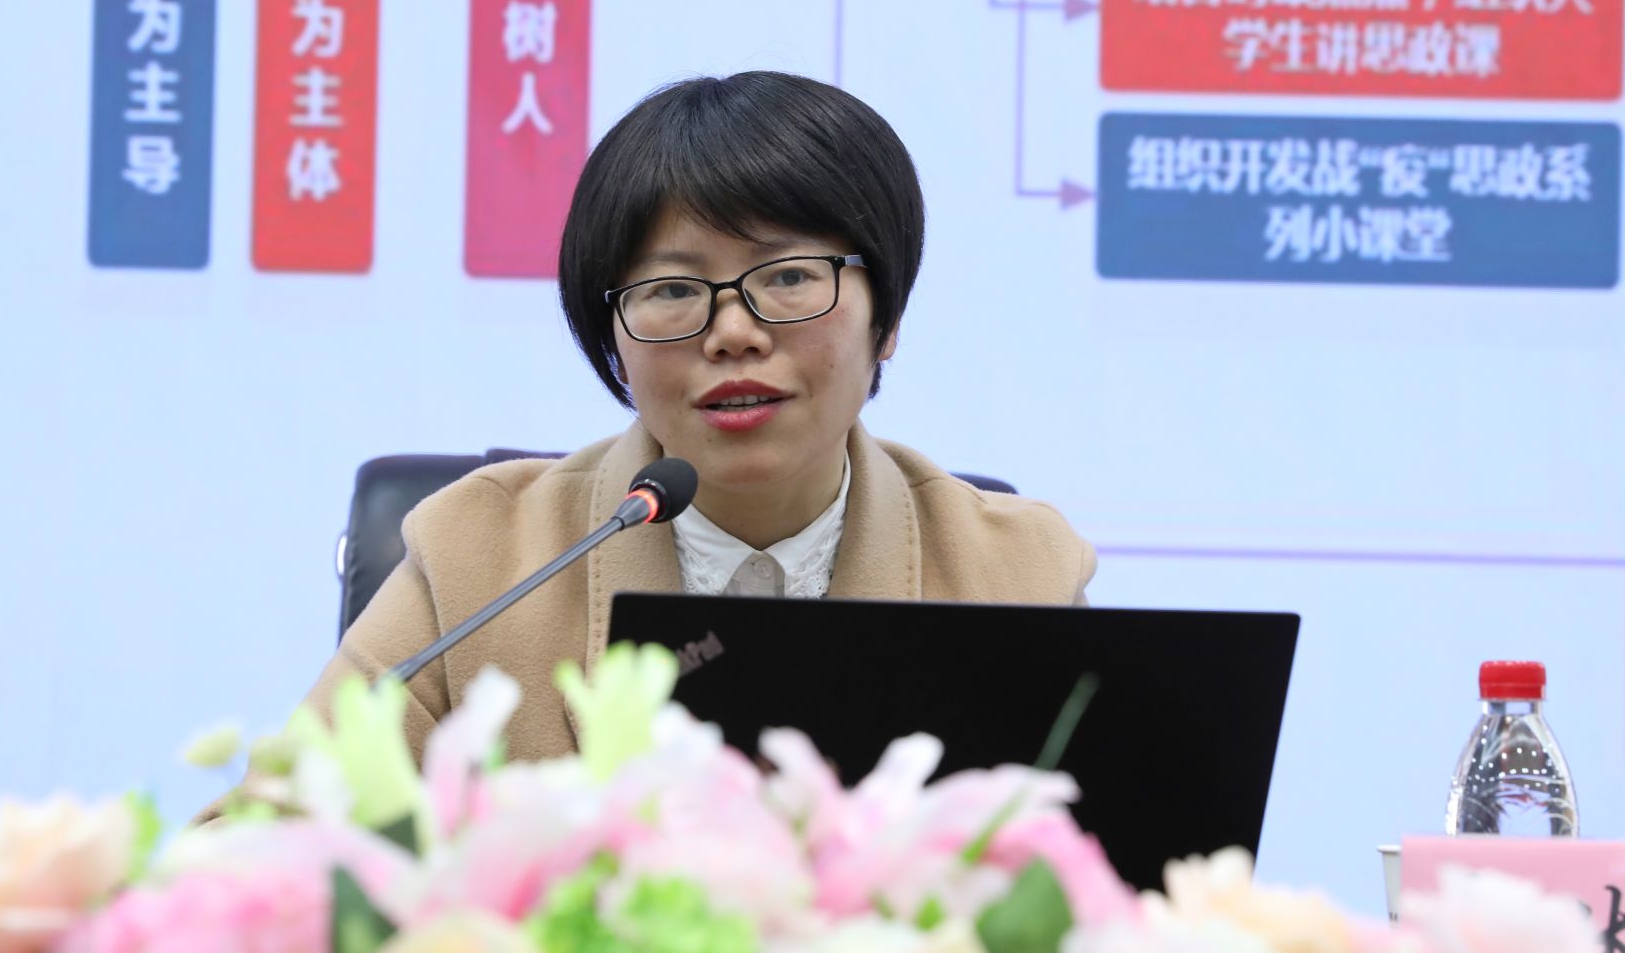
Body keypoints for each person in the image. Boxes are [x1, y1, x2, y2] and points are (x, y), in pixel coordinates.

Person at [289, 71, 1093, 766]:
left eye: (788, 277)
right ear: (614, 343)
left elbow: (1128, 868)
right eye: (673, 290)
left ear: (886, 318)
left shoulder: (1019, 575)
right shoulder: (478, 559)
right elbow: (256, 839)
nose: (733, 333)